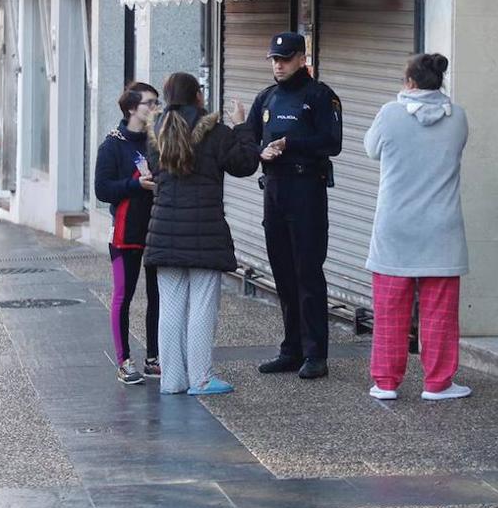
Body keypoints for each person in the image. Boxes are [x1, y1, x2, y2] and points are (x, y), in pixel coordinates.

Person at [364, 53, 472, 401]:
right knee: (440, 312)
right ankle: (438, 383)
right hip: (442, 228)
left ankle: (386, 382)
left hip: (395, 226)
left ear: (409, 82)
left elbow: (371, 149)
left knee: (389, 309)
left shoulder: (390, 114)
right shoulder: (458, 118)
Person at [144, 72, 258, 396]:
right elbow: (245, 163)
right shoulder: (217, 133)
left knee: (170, 308)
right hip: (205, 232)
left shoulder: (155, 133)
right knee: (203, 307)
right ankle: (202, 378)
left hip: (164, 231)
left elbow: (155, 171)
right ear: (198, 97)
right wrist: (242, 126)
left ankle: (172, 380)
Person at [245, 32, 342, 381]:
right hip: (274, 189)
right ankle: (292, 348)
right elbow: (249, 139)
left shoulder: (319, 95)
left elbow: (333, 142)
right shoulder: (266, 97)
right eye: (274, 59)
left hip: (307, 189)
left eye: (285, 59)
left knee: (308, 272)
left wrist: (291, 143)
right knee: (282, 271)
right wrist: (260, 152)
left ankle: (316, 353)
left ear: (302, 57)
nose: (278, 65)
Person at [94, 81, 161, 386]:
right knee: (124, 295)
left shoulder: (156, 140)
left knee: (157, 295)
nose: (155, 108)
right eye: (150, 103)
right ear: (132, 108)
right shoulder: (112, 144)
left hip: (157, 226)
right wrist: (135, 185)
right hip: (124, 231)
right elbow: (102, 190)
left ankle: (154, 358)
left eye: (157, 102)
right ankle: (124, 361)